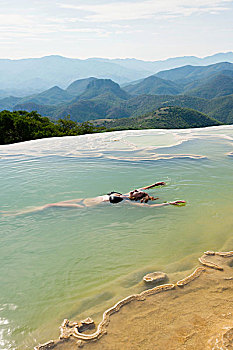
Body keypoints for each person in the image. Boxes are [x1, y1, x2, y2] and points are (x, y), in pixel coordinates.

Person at [2, 181, 185, 216]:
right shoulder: (127, 193)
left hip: (85, 207)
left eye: (138, 193)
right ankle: (15, 211)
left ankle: (14, 215)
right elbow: (144, 187)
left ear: (139, 198)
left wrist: (169, 203)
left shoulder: (129, 201)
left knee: (50, 205)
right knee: (47, 204)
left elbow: (150, 208)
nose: (135, 191)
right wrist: (155, 185)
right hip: (84, 199)